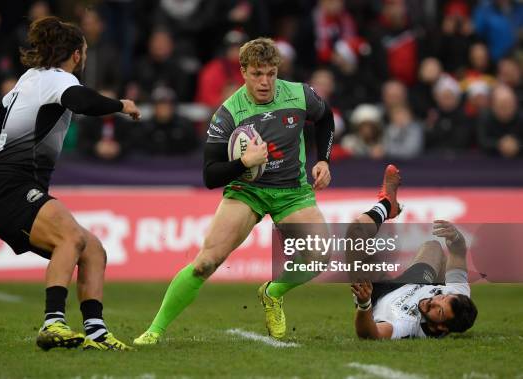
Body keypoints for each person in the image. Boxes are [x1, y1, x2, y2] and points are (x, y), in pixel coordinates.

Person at [134, 37, 335, 345]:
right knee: (205, 263)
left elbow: (325, 118)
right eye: (257, 73)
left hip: (292, 192)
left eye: (271, 73)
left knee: (320, 256)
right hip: (246, 191)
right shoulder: (228, 114)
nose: (265, 81)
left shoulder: (300, 94)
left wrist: (323, 159)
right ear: (243, 72)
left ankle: (273, 293)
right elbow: (210, 175)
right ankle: (154, 330)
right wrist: (244, 162)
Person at [0, 16, 141, 352]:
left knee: (93, 248)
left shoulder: (29, 79)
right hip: (14, 186)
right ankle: (53, 321)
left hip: (8, 189)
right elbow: (83, 102)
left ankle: (96, 332)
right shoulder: (58, 79)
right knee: (70, 236)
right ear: (77, 55)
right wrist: (121, 106)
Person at [349, 165, 477, 339]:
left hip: (376, 294)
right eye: (441, 297)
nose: (433, 301)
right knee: (434, 247)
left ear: (441, 328)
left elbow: (370, 335)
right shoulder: (458, 295)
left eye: (438, 311)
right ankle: (390, 206)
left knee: (356, 232)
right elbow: (458, 253)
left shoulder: (407, 325)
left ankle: (387, 205)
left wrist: (364, 304)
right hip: (412, 284)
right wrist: (456, 238)